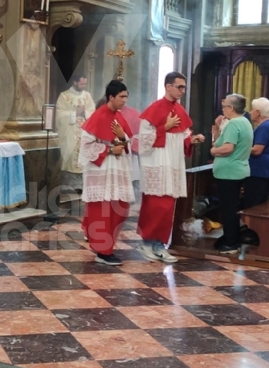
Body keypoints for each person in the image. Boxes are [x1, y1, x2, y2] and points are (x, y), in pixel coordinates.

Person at [138, 71, 205, 263]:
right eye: (180, 87)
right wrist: (164, 127)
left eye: (184, 87)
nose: (183, 91)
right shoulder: (154, 109)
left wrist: (191, 139)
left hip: (172, 164)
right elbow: (143, 141)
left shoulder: (180, 110)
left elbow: (182, 135)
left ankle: (159, 244)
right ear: (168, 86)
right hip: (157, 164)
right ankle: (146, 243)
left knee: (168, 207)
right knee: (155, 205)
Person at [79, 79, 134, 266]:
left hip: (117, 170)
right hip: (101, 170)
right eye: (122, 97)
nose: (125, 100)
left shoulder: (119, 116)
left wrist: (120, 136)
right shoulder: (97, 116)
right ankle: (102, 250)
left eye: (126, 96)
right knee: (102, 210)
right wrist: (109, 150)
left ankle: (107, 247)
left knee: (119, 207)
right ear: (111, 97)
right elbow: (86, 146)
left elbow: (127, 141)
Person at [210, 93, 253, 254]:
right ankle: (230, 237)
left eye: (225, 106)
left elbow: (227, 148)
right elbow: (219, 140)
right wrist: (215, 128)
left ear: (231, 108)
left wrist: (213, 151)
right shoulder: (245, 122)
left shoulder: (234, 124)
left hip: (229, 172)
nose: (223, 109)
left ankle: (231, 242)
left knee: (228, 208)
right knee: (231, 206)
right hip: (238, 169)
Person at [56, 74, 96, 193]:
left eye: (85, 84)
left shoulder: (87, 96)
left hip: (84, 132)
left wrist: (84, 113)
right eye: (81, 84)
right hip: (70, 132)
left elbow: (93, 113)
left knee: (84, 155)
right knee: (70, 154)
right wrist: (74, 113)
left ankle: (83, 185)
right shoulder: (64, 96)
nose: (84, 86)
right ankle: (68, 184)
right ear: (74, 82)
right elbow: (59, 115)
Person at [244, 97, 269, 208]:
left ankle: (252, 225)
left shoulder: (265, 126)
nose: (250, 112)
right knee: (261, 201)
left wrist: (239, 149)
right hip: (266, 168)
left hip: (259, 169)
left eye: (252, 109)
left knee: (254, 203)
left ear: (258, 112)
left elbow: (257, 150)